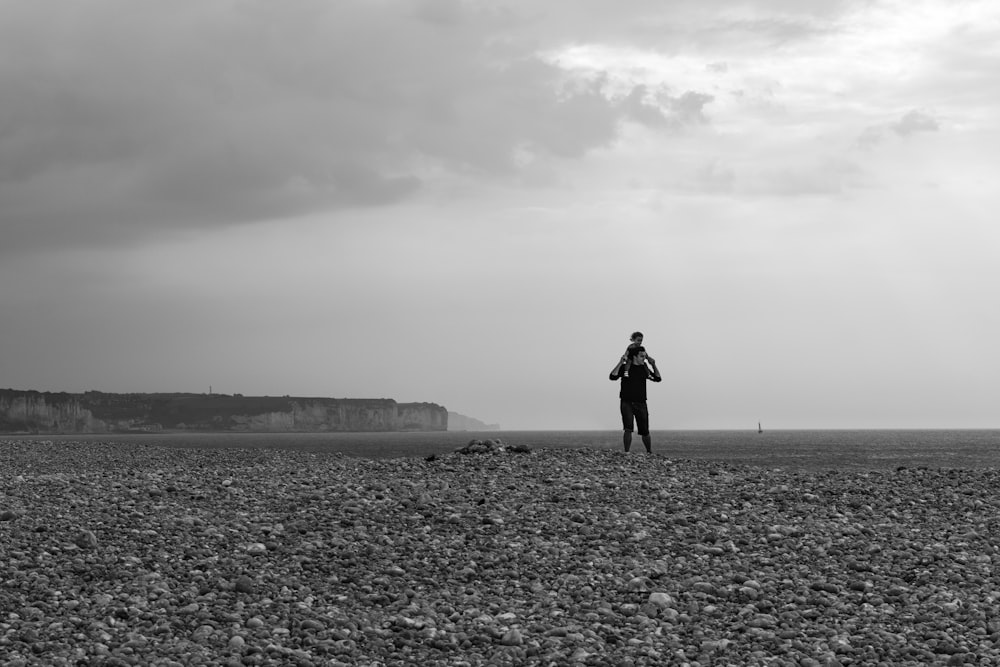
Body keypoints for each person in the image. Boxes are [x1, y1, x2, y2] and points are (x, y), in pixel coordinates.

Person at [609, 345, 661, 453]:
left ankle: (649, 452)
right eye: (641, 356)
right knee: (628, 429)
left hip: (641, 403)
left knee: (645, 431)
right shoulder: (625, 368)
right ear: (634, 357)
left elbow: (658, 378)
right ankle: (626, 452)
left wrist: (653, 364)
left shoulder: (644, 369)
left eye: (644, 356)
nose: (644, 358)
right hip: (626, 402)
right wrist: (620, 362)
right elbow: (612, 376)